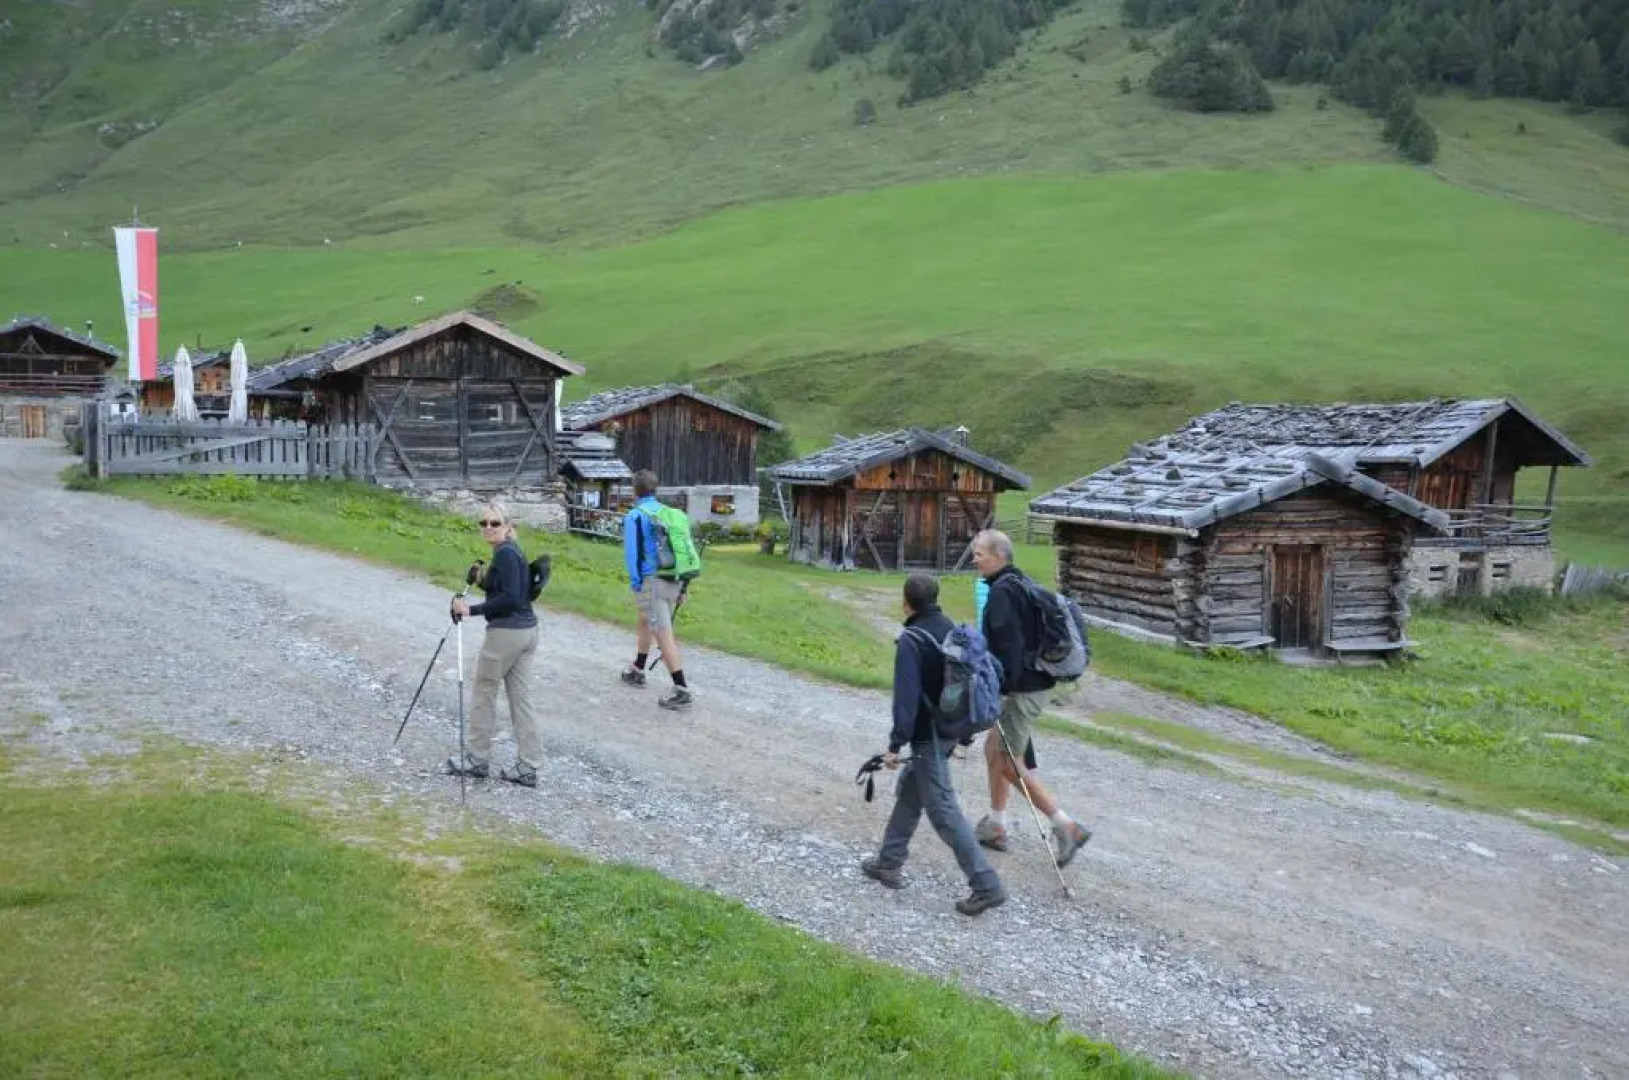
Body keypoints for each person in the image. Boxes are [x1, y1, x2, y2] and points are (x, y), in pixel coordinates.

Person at [860, 573, 1006, 916]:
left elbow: (906, 699)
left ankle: (986, 884)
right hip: (950, 729)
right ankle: (888, 861)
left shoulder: (912, 639)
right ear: (935, 599)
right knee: (911, 793)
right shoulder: (950, 629)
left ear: (906, 603)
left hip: (928, 736)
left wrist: (895, 745)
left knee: (944, 812)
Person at [970, 529, 1092, 866]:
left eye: (980, 553)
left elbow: (1008, 650)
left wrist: (997, 691)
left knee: (1009, 763)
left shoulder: (1002, 593)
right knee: (994, 749)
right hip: (1031, 683)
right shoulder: (1017, 582)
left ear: (999, 556)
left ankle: (1068, 827)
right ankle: (996, 825)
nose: (974, 559)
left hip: (1021, 689)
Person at [446, 501, 543, 788]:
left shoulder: (505, 554)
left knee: (484, 691)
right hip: (527, 631)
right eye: (484, 523)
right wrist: (482, 580)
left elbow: (510, 598)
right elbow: (512, 590)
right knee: (521, 698)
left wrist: (470, 610)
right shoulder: (511, 551)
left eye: (495, 523)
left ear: (508, 526)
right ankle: (528, 765)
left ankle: (476, 758)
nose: (488, 528)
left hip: (506, 633)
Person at [619, 469, 692, 710]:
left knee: (663, 633)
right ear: (654, 489)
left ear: (635, 490)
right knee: (644, 618)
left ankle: (681, 689)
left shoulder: (635, 516)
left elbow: (632, 554)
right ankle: (638, 668)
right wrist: (684, 586)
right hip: (673, 577)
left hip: (652, 581)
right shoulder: (668, 513)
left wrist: (636, 583)